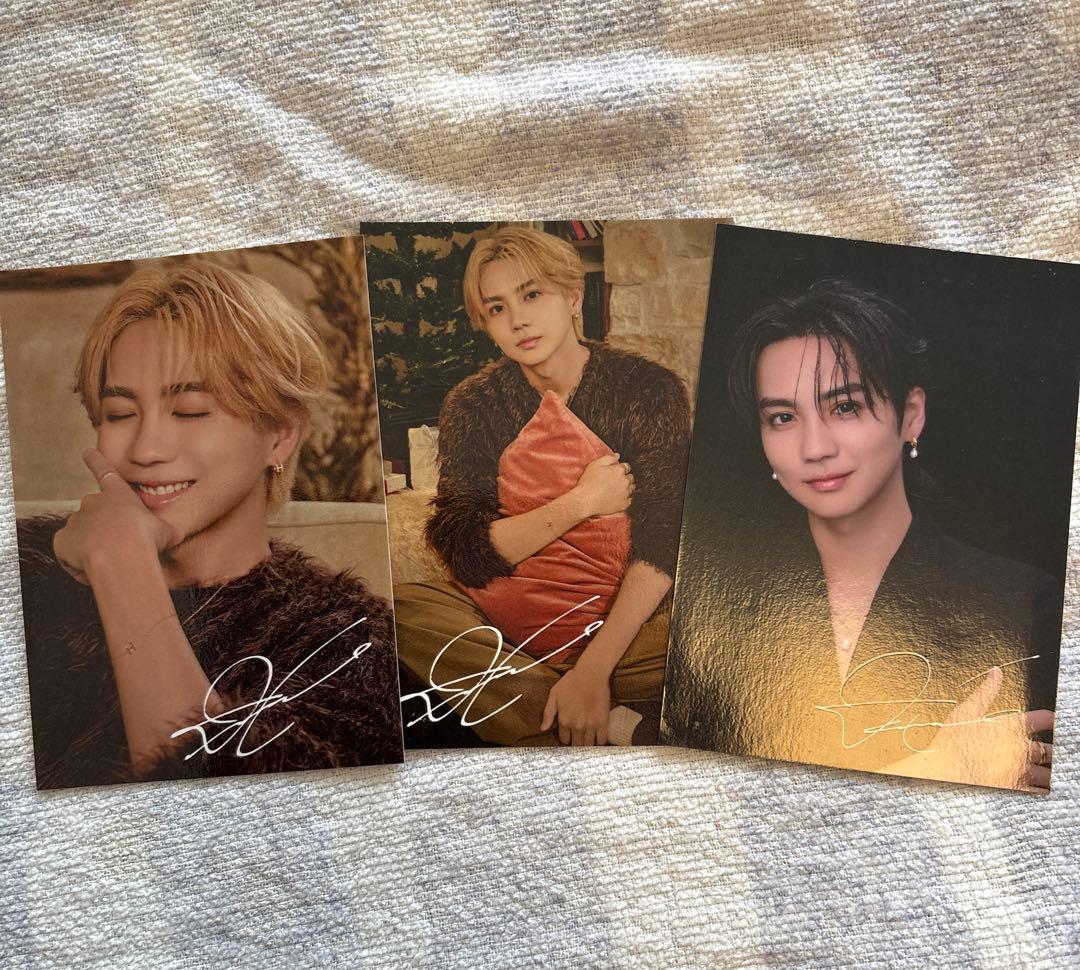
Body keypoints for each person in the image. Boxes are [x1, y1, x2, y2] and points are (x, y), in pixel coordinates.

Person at [18, 262, 402, 788]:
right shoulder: (25, 569)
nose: (146, 450)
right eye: (120, 414)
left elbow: (240, 816)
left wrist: (122, 566)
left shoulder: (348, 639)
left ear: (279, 435)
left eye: (191, 411)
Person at [669, 277, 1056, 790]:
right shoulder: (712, 605)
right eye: (782, 417)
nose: (814, 448)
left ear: (910, 415)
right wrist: (935, 771)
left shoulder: (1025, 604)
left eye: (845, 407)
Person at [392, 226, 692, 747]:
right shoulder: (474, 404)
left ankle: (552, 706)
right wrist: (580, 503)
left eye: (532, 295)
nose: (518, 320)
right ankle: (615, 722)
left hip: (627, 631)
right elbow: (465, 551)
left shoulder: (647, 389)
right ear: (486, 323)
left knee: (727, 631)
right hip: (512, 625)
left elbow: (664, 542)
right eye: (497, 308)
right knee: (401, 609)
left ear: (573, 297)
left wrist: (593, 669)